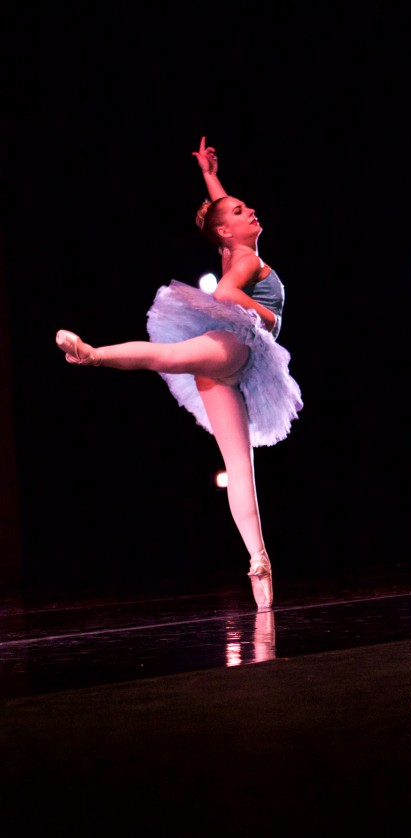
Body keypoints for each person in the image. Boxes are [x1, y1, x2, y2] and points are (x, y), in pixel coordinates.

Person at [55, 136, 302, 610]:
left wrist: (210, 175)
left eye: (245, 206)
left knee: (238, 465)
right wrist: (267, 317)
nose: (249, 211)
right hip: (234, 347)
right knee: (167, 359)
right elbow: (228, 296)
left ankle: (259, 563)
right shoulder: (246, 259)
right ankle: (91, 354)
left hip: (225, 368)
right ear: (227, 233)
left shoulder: (232, 247)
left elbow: (217, 217)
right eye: (239, 211)